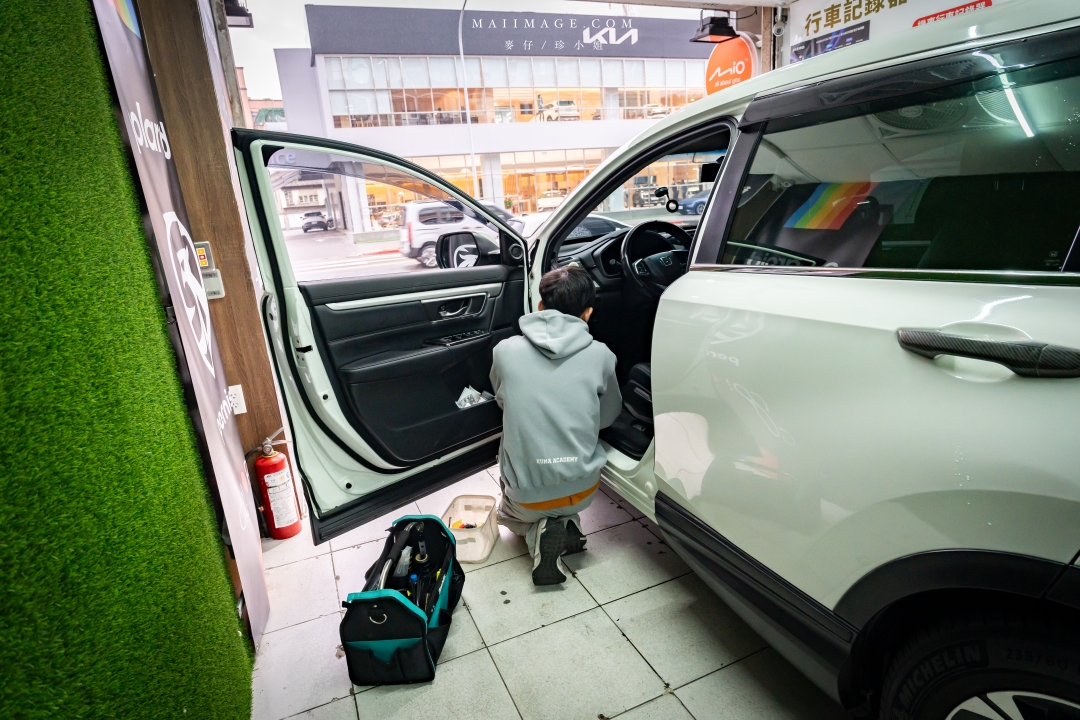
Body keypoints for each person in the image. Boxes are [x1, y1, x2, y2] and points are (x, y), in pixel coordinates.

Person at [489, 265, 622, 585]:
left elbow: (501, 400)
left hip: (527, 497)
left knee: (506, 517)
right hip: (584, 488)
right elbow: (607, 416)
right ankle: (568, 520)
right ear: (587, 313)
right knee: (564, 485)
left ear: (540, 307)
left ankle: (540, 533)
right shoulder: (602, 355)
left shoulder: (505, 351)